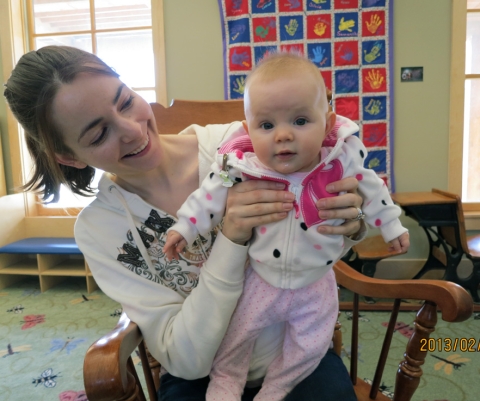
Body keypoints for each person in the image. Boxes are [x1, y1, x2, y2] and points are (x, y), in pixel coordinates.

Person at [4, 46, 366, 401]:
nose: (131, 130)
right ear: (67, 155)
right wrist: (231, 237)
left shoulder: (241, 147)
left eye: (125, 101)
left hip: (296, 355)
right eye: (99, 134)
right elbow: (185, 359)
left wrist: (349, 221)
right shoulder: (101, 229)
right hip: (202, 376)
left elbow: (326, 234)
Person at [163, 52, 410, 401]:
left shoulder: (339, 163)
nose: (282, 136)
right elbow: (208, 198)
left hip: (316, 284)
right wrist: (183, 230)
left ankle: (276, 389)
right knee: (237, 336)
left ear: (327, 123)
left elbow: (373, 190)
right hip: (261, 278)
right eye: (267, 126)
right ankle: (226, 383)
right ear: (248, 131)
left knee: (310, 345)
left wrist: (393, 227)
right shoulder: (242, 166)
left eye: (299, 121)